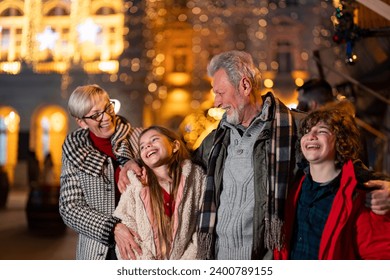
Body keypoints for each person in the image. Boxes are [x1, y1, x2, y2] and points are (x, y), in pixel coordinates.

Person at [118, 50, 390, 260]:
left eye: (220, 92)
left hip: (267, 258)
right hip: (219, 260)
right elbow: (179, 165)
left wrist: (384, 185)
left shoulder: (295, 128)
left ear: (245, 86)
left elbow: (342, 164)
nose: (216, 102)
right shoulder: (215, 139)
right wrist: (129, 160)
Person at [274, 107, 390, 259]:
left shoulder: (357, 196)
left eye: (322, 131)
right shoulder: (295, 188)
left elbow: (379, 255)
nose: (311, 136)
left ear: (341, 141)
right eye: (307, 131)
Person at [59, 84, 143, 260]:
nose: (106, 117)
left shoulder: (140, 138)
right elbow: (69, 207)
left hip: (141, 246)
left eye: (108, 108)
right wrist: (113, 228)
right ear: (82, 122)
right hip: (97, 251)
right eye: (96, 115)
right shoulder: (75, 151)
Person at [113, 126, 206, 259]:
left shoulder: (195, 177)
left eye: (154, 139)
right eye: (142, 146)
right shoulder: (135, 185)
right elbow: (128, 226)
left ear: (174, 146)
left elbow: (201, 227)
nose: (148, 146)